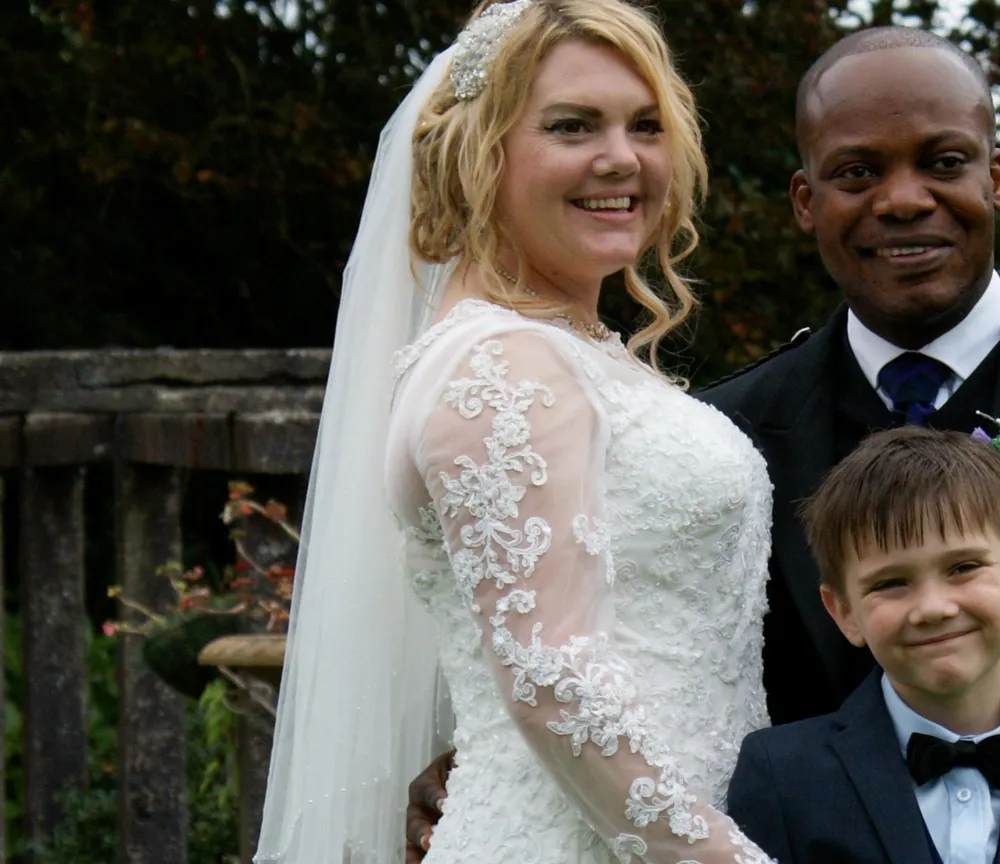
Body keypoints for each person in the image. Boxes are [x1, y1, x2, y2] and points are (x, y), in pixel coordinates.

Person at [409, 23, 1000, 864]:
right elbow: (624, 635)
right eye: (857, 173)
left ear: (997, 177)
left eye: (944, 162)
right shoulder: (731, 427)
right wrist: (507, 761)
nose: (905, 200)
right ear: (806, 201)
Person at [257, 1, 776, 861]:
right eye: (573, 126)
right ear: (480, 152)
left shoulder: (568, 351)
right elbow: (553, 678)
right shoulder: (501, 366)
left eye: (645, 125)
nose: (622, 158)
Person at [727, 426, 1000, 864]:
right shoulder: (782, 776)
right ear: (843, 611)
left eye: (964, 567)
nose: (933, 607)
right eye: (891, 583)